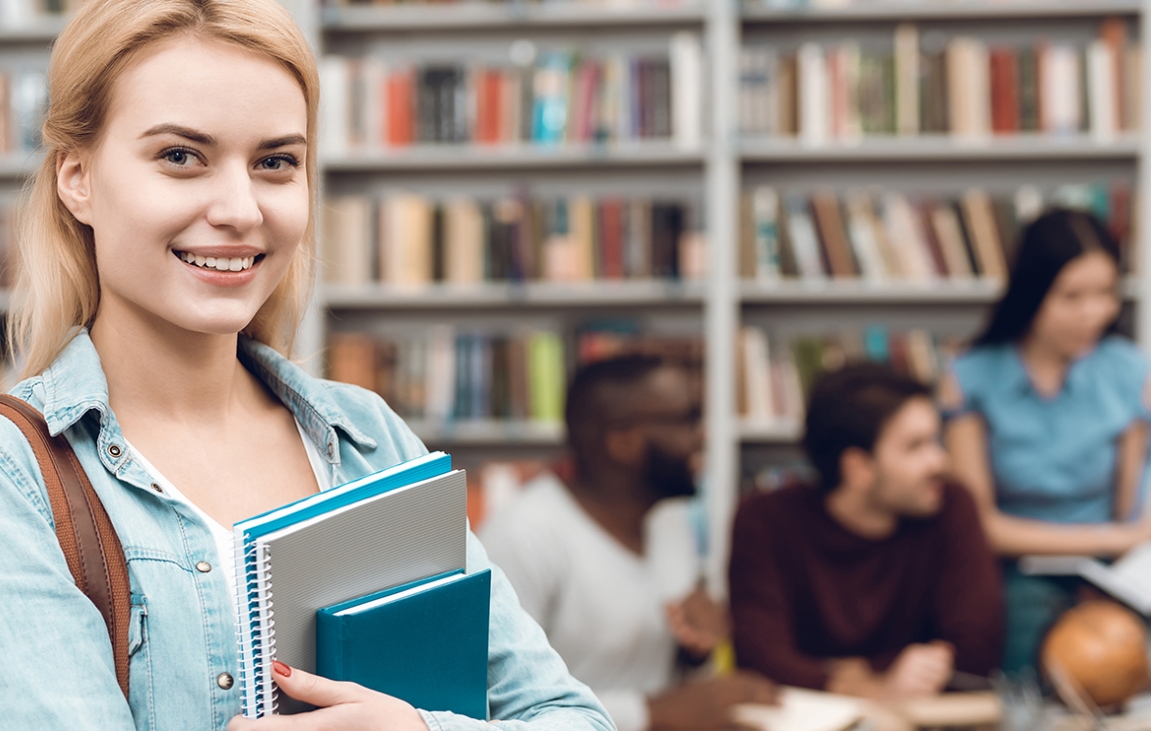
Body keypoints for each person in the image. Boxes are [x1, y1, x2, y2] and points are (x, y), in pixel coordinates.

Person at [0, 3, 616, 730]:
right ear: (77, 177)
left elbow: (571, 717)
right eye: (181, 157)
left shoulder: (366, 437)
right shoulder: (1, 471)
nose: (241, 209)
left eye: (275, 162)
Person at [480, 355, 777, 731]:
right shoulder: (523, 536)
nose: (702, 435)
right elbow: (494, 704)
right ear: (622, 441)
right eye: (687, 419)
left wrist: (694, 651)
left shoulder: (669, 522)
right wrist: (654, 713)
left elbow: (658, 673)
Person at [942, 209, 1151, 675]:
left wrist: (1120, 547)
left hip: (1111, 570)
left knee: (1123, 665)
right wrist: (1113, 537)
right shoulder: (970, 376)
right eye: (1071, 297)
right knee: (1024, 650)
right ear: (1033, 292)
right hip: (1013, 570)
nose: (1093, 313)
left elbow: (1133, 509)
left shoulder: (1130, 371)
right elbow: (978, 524)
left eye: (1106, 293)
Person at [729, 364, 1003, 700]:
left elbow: (976, 654)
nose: (940, 461)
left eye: (936, 440)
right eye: (916, 446)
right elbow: (759, 661)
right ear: (858, 468)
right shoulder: (765, 518)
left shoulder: (951, 505)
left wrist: (832, 673)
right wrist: (877, 685)